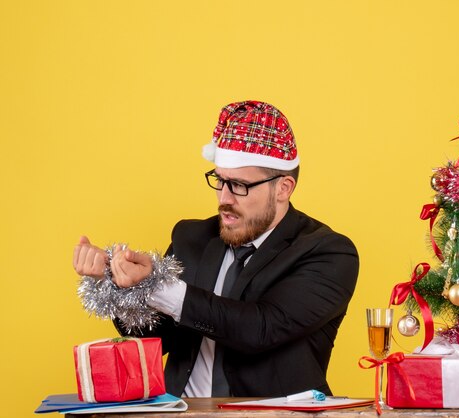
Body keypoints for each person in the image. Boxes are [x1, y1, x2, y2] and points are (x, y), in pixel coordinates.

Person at [72, 100, 359, 398]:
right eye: (220, 181)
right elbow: (156, 337)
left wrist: (156, 284)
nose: (224, 198)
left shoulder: (328, 253)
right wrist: (117, 283)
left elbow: (260, 329)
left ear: (283, 188)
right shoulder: (192, 237)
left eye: (239, 186)